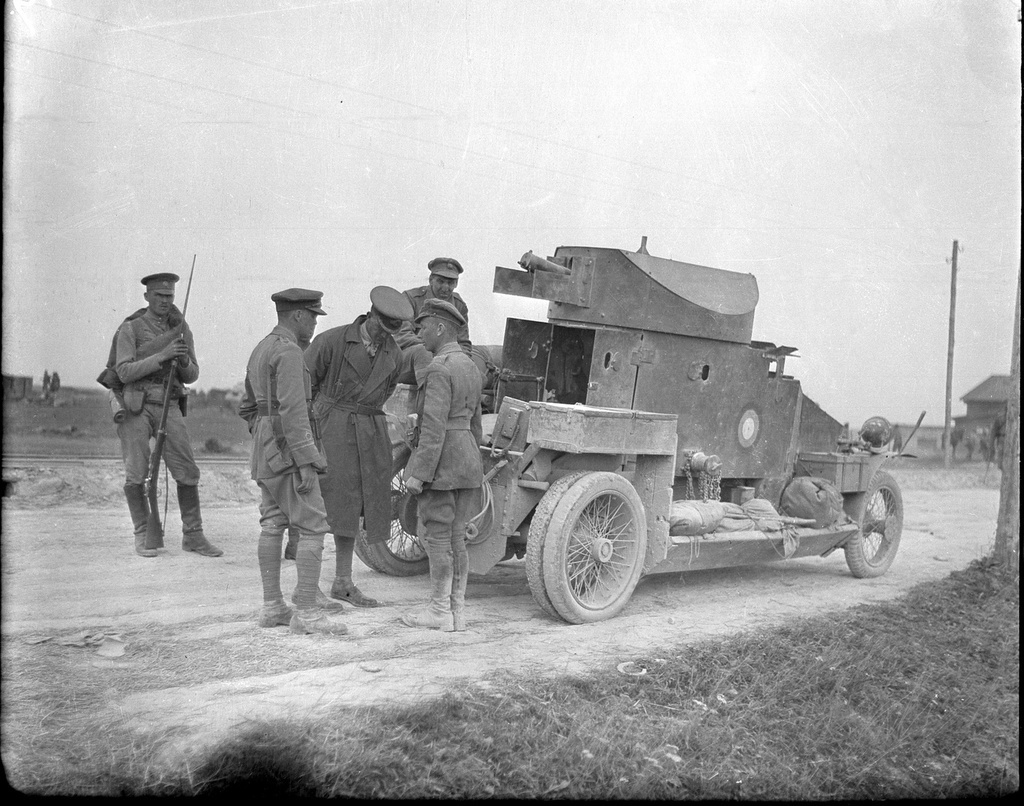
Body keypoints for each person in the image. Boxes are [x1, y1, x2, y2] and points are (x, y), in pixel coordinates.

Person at [238, 288, 347, 635]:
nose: (315, 322)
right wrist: (305, 462)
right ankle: (308, 614)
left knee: (272, 523)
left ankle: (273, 607)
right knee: (313, 526)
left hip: (266, 452)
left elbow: (248, 407)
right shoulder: (289, 353)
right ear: (298, 315)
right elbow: (295, 413)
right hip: (289, 452)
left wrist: (264, 435)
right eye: (314, 315)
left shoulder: (261, 348)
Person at [305, 286, 416, 608]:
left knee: (353, 508)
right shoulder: (332, 341)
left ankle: (343, 581)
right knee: (318, 505)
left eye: (394, 331)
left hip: (367, 432)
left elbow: (383, 393)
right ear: (372, 316)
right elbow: (303, 386)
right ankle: (308, 586)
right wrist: (313, 433)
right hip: (330, 429)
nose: (387, 336)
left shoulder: (393, 353)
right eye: (383, 328)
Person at [113, 273, 222, 559]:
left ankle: (194, 535)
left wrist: (183, 359)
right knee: (137, 470)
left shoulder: (181, 328)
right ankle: (142, 533)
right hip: (137, 403)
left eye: (170, 296)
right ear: (147, 296)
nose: (165, 301)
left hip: (169, 403)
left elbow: (193, 374)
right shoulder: (131, 329)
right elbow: (123, 371)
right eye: (159, 296)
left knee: (186, 469)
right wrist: (162, 356)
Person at [400, 299, 484, 632]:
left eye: (422, 328)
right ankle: (457, 613)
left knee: (437, 539)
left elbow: (433, 427)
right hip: (467, 461)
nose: (419, 335)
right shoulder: (472, 366)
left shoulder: (439, 367)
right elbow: (475, 425)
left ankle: (438, 611)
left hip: (441, 464)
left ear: (440, 328)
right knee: (457, 539)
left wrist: (418, 474)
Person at [395, 257, 472, 386]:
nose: (445, 287)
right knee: (423, 352)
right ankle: (430, 397)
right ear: (431, 280)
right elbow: (401, 336)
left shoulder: (459, 306)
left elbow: (464, 343)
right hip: (407, 360)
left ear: (456, 283)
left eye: (451, 282)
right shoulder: (411, 298)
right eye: (440, 281)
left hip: (443, 360)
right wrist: (435, 348)